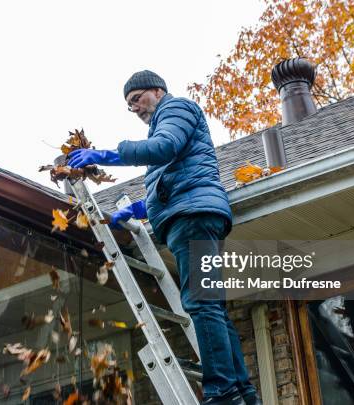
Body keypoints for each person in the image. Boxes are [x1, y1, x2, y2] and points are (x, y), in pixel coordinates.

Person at [68, 70, 261, 405]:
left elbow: (163, 147)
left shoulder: (175, 110)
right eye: (129, 106)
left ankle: (222, 393)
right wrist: (140, 209)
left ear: (157, 91)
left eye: (137, 100)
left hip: (194, 217)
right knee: (209, 305)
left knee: (201, 304)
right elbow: (178, 177)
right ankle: (241, 392)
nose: (135, 109)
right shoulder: (167, 122)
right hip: (191, 215)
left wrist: (104, 155)